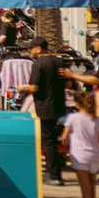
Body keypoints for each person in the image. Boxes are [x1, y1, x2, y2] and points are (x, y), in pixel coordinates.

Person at [17, 37, 68, 184]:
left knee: (48, 141)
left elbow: (34, 87)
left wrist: (22, 87)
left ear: (39, 49)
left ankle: (53, 175)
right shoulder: (60, 61)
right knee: (54, 140)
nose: (30, 51)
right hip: (59, 106)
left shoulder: (38, 64)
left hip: (45, 107)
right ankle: (53, 172)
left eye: (31, 48)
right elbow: (68, 82)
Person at [62, 90, 99, 198]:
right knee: (92, 184)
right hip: (94, 155)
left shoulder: (72, 118)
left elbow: (64, 138)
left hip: (79, 155)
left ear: (77, 104)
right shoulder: (98, 120)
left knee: (84, 186)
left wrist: (67, 143)